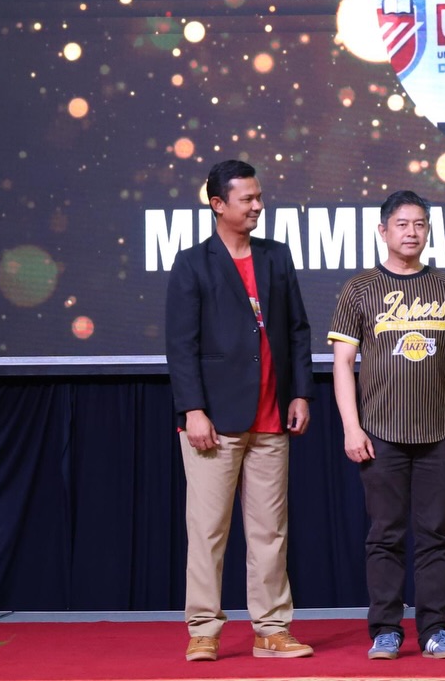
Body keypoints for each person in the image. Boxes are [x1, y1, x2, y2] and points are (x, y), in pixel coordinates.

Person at [166, 159, 315, 662]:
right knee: (208, 531)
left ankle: (271, 629)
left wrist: (300, 393)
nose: (257, 206)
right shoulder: (193, 263)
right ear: (218, 204)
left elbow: (297, 330)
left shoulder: (276, 255)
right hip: (214, 420)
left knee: (270, 533)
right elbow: (180, 346)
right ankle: (203, 629)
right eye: (247, 199)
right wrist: (193, 409)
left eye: (259, 197)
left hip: (272, 417)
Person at [328, 190, 445, 661]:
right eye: (402, 224)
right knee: (385, 535)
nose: (411, 232)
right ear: (383, 231)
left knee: (436, 536)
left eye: (419, 224)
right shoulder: (359, 289)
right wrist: (351, 427)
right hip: (379, 433)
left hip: (439, 432)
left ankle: (435, 630)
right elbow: (342, 363)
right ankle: (386, 630)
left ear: (428, 230)